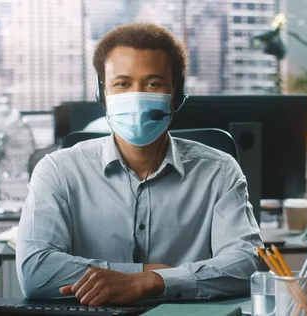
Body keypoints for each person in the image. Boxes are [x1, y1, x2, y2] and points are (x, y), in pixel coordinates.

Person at [16, 22, 263, 307]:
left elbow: (248, 263)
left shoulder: (219, 171)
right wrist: (145, 273)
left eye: (153, 83)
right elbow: (36, 271)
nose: (135, 96)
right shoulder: (57, 171)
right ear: (102, 94)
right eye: (122, 83)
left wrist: (150, 283)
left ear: (177, 94)